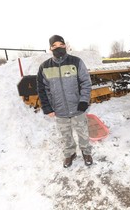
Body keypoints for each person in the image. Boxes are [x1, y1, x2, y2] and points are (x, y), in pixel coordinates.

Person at [36, 35, 93, 168]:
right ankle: (70, 153)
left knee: (83, 132)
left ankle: (86, 152)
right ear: (50, 48)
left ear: (65, 46)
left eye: (60, 45)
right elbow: (42, 89)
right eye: (54, 46)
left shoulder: (76, 62)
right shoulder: (44, 67)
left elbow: (86, 82)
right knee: (65, 135)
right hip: (59, 109)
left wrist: (84, 100)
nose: (58, 48)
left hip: (77, 107)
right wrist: (47, 108)